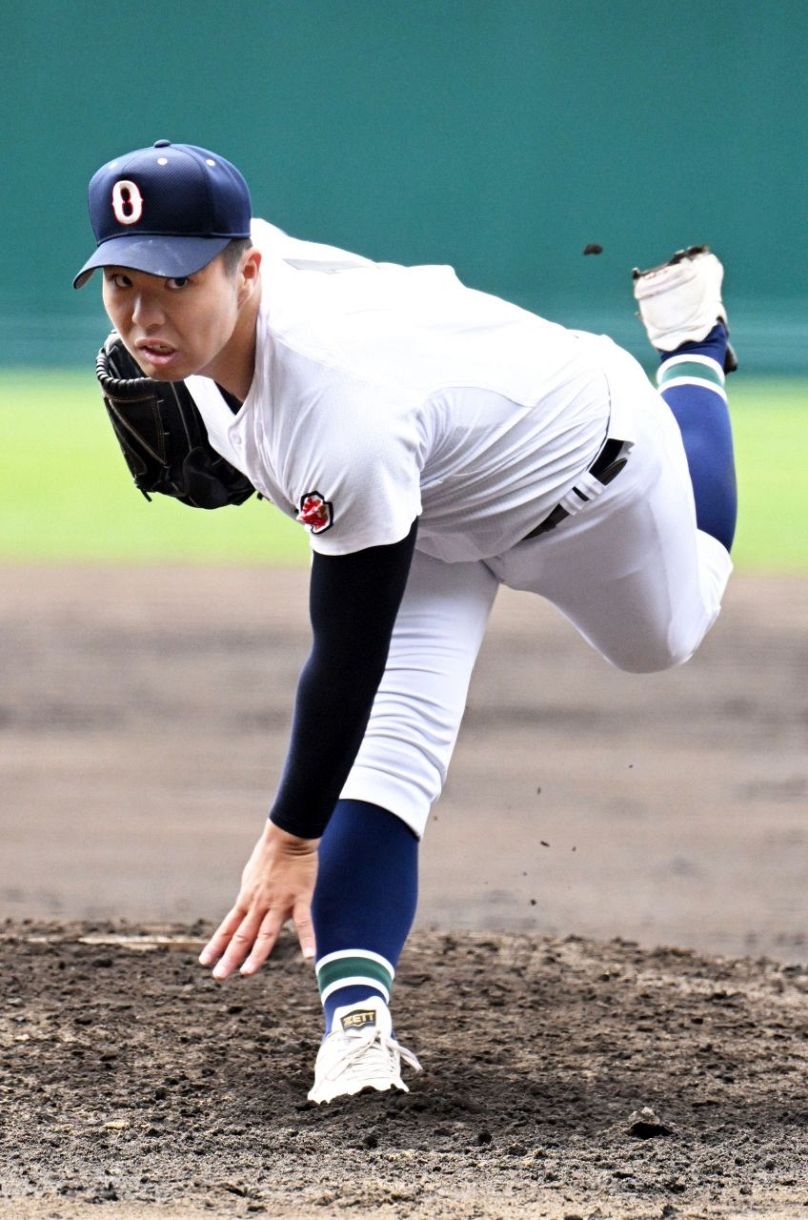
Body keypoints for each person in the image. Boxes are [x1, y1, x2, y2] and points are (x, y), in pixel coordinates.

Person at [75, 141, 737, 1104]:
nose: (144, 316)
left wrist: (290, 838)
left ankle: (692, 354)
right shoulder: (226, 297)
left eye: (175, 282)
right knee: (388, 759)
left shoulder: (339, 406)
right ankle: (356, 1030)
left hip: (586, 474)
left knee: (666, 638)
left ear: (247, 267)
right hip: (425, 497)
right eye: (122, 283)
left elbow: (346, 654)